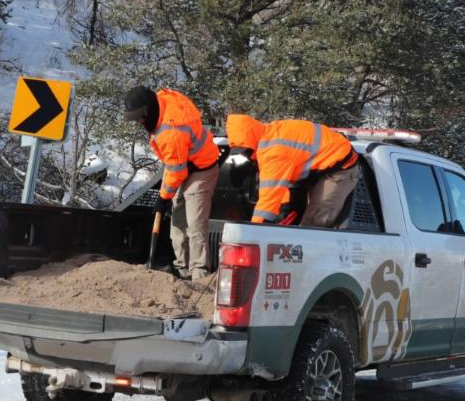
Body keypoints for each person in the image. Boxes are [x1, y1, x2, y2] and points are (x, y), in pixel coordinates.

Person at [124, 86, 220, 279]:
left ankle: (199, 273)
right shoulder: (159, 103)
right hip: (181, 164)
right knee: (177, 222)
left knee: (195, 224)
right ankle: (182, 270)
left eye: (139, 117)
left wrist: (163, 197)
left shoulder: (171, 131)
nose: (138, 122)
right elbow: (174, 165)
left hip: (202, 170)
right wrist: (166, 197)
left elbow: (177, 170)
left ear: (148, 109)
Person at [224, 114, 361, 227]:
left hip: (340, 167)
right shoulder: (270, 133)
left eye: (246, 150)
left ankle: (310, 257)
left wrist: (255, 230)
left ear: (252, 140)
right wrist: (283, 211)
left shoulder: (274, 153)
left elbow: (269, 198)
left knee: (315, 222)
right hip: (319, 165)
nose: (245, 155)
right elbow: (280, 187)